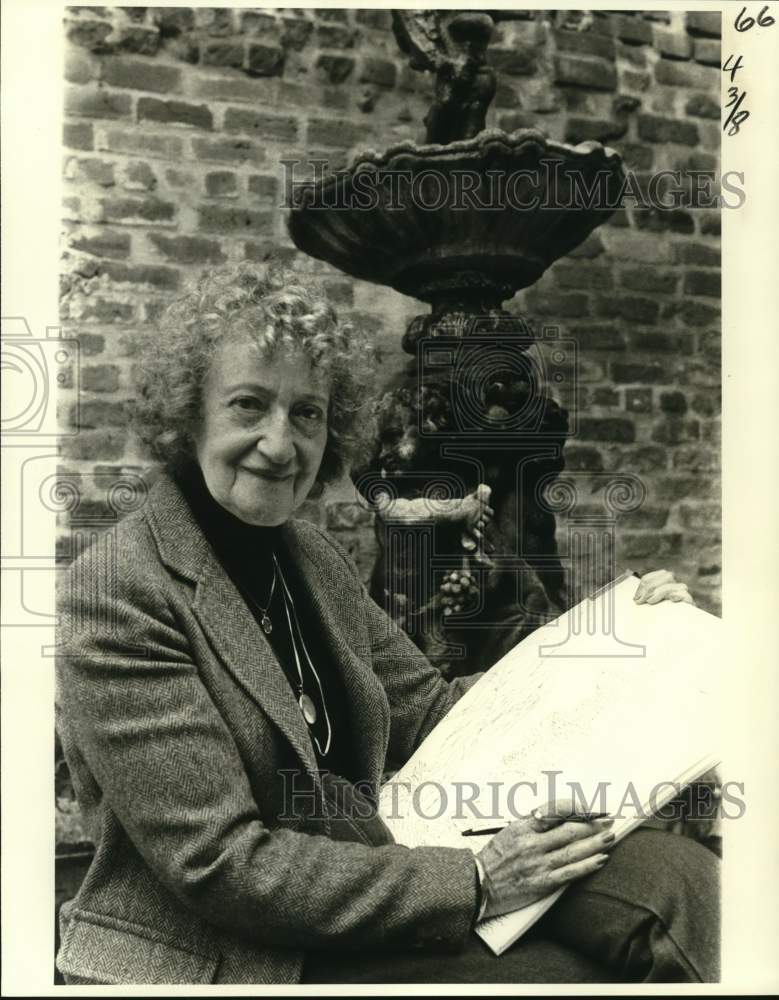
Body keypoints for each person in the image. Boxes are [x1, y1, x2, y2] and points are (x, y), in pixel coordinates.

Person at [55, 261, 719, 985]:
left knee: (686, 879)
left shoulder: (307, 557)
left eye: (306, 413)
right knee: (561, 973)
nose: (280, 445)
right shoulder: (119, 590)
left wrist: (630, 646)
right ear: (187, 418)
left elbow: (436, 714)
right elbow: (219, 864)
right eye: (248, 406)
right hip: (236, 944)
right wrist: (478, 881)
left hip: (378, 858)